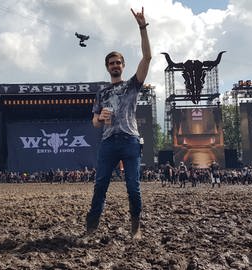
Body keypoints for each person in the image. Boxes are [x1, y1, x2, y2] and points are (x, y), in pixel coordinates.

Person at [85, 6, 151, 239]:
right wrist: (99, 118)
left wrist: (142, 27)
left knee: (133, 187)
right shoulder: (101, 93)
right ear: (107, 67)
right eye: (111, 63)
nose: (115, 65)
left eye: (118, 62)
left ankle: (136, 227)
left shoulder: (132, 85)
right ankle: (91, 229)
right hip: (108, 143)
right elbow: (94, 122)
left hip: (131, 141)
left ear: (123, 66)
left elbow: (147, 57)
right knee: (100, 187)